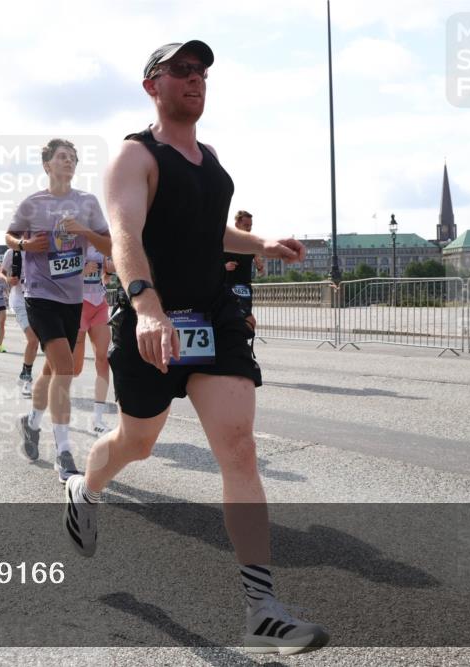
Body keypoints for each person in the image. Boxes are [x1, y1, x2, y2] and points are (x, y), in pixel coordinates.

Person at [61, 41, 328, 656]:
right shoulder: (135, 155)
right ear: (152, 85)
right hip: (153, 323)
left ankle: (261, 610)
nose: (195, 79)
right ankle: (85, 488)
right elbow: (125, 232)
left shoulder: (209, 159)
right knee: (139, 442)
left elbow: (211, 231)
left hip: (213, 318)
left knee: (238, 449)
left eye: (202, 71)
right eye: (181, 70)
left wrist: (262, 245)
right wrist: (147, 306)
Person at [5, 138, 112, 483]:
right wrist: (23, 244)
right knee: (66, 367)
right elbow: (9, 235)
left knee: (52, 369)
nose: (69, 161)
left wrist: (83, 231)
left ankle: (31, 423)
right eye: (62, 157)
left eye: (73, 158)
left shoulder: (87, 203)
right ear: (47, 165)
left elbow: (110, 244)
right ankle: (64, 452)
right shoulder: (33, 204)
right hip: (39, 295)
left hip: (73, 298)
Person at [72, 248, 115, 434]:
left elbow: (111, 271)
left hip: (99, 304)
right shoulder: (72, 241)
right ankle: (54, 397)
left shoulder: (104, 240)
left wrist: (111, 268)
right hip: (78, 305)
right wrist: (81, 270)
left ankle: (97, 419)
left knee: (103, 359)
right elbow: (56, 276)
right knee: (74, 369)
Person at [1, 247, 40, 397]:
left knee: (38, 343)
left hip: (39, 300)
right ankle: (27, 379)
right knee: (32, 339)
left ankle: (25, 371)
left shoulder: (41, 249)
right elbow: (2, 272)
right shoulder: (12, 252)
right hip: (20, 301)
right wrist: (8, 279)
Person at [224, 210, 265, 330]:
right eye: (246, 225)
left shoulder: (252, 243)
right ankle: (237, 346)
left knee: (246, 321)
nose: (249, 229)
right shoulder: (226, 240)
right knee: (246, 320)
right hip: (227, 286)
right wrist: (224, 266)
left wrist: (260, 266)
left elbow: (261, 272)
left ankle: (240, 345)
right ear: (237, 224)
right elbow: (211, 263)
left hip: (245, 288)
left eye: (250, 226)